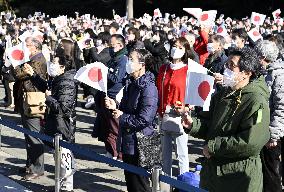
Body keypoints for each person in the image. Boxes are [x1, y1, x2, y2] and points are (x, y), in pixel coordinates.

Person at [181, 47, 270, 192]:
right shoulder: (223, 94)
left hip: (238, 177)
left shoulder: (256, 101)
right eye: (226, 64)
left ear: (246, 73)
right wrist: (193, 125)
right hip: (213, 173)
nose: (226, 68)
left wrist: (213, 146)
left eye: (231, 66)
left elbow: (251, 142)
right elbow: (210, 124)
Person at [23, 44, 77, 192]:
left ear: (62, 68)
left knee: (65, 161)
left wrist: (48, 98)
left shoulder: (67, 83)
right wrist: (33, 75)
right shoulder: (58, 79)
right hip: (55, 125)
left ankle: (67, 187)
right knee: (58, 159)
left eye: (54, 63)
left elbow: (62, 108)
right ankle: (61, 185)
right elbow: (46, 85)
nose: (51, 65)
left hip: (63, 127)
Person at [105, 48, 158, 192]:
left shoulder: (148, 88)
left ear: (142, 64)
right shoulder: (131, 83)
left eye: (131, 60)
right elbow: (125, 109)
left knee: (140, 184)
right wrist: (114, 105)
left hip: (140, 143)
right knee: (131, 182)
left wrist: (122, 116)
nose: (128, 62)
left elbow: (144, 119)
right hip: (128, 140)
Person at [156, 37, 195, 178]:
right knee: (164, 156)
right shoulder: (164, 68)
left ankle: (184, 184)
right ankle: (166, 185)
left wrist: (187, 108)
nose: (175, 49)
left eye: (180, 47)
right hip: (163, 114)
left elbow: (196, 94)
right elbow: (159, 90)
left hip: (180, 116)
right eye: (174, 46)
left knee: (182, 154)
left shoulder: (189, 69)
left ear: (185, 51)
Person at [13, 36, 47, 180]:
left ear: (35, 46)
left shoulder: (38, 59)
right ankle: (30, 164)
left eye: (27, 45)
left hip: (33, 102)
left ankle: (38, 169)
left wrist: (15, 64)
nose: (24, 47)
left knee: (34, 136)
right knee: (28, 136)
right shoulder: (32, 58)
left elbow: (20, 75)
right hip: (26, 101)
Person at [255, 40, 284, 192]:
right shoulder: (264, 73)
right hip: (262, 130)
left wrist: (273, 135)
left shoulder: (279, 75)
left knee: (272, 175)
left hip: (273, 136)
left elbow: (281, 108)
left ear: (263, 56)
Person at [94, 34, 128, 160]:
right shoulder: (113, 59)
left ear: (120, 45)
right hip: (106, 94)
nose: (110, 48)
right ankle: (110, 150)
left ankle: (118, 154)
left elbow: (116, 78)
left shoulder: (122, 59)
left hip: (114, 96)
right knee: (106, 126)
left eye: (112, 46)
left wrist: (105, 70)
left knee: (115, 127)